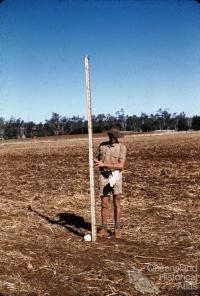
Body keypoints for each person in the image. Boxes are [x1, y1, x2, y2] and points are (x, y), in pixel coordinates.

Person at [94, 127, 127, 239]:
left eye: (114, 136)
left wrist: (105, 164)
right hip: (104, 176)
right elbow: (96, 159)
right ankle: (104, 228)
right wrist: (97, 163)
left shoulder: (122, 147)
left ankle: (117, 228)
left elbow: (121, 166)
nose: (112, 138)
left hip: (116, 176)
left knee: (117, 201)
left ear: (117, 137)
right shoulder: (102, 146)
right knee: (104, 203)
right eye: (110, 136)